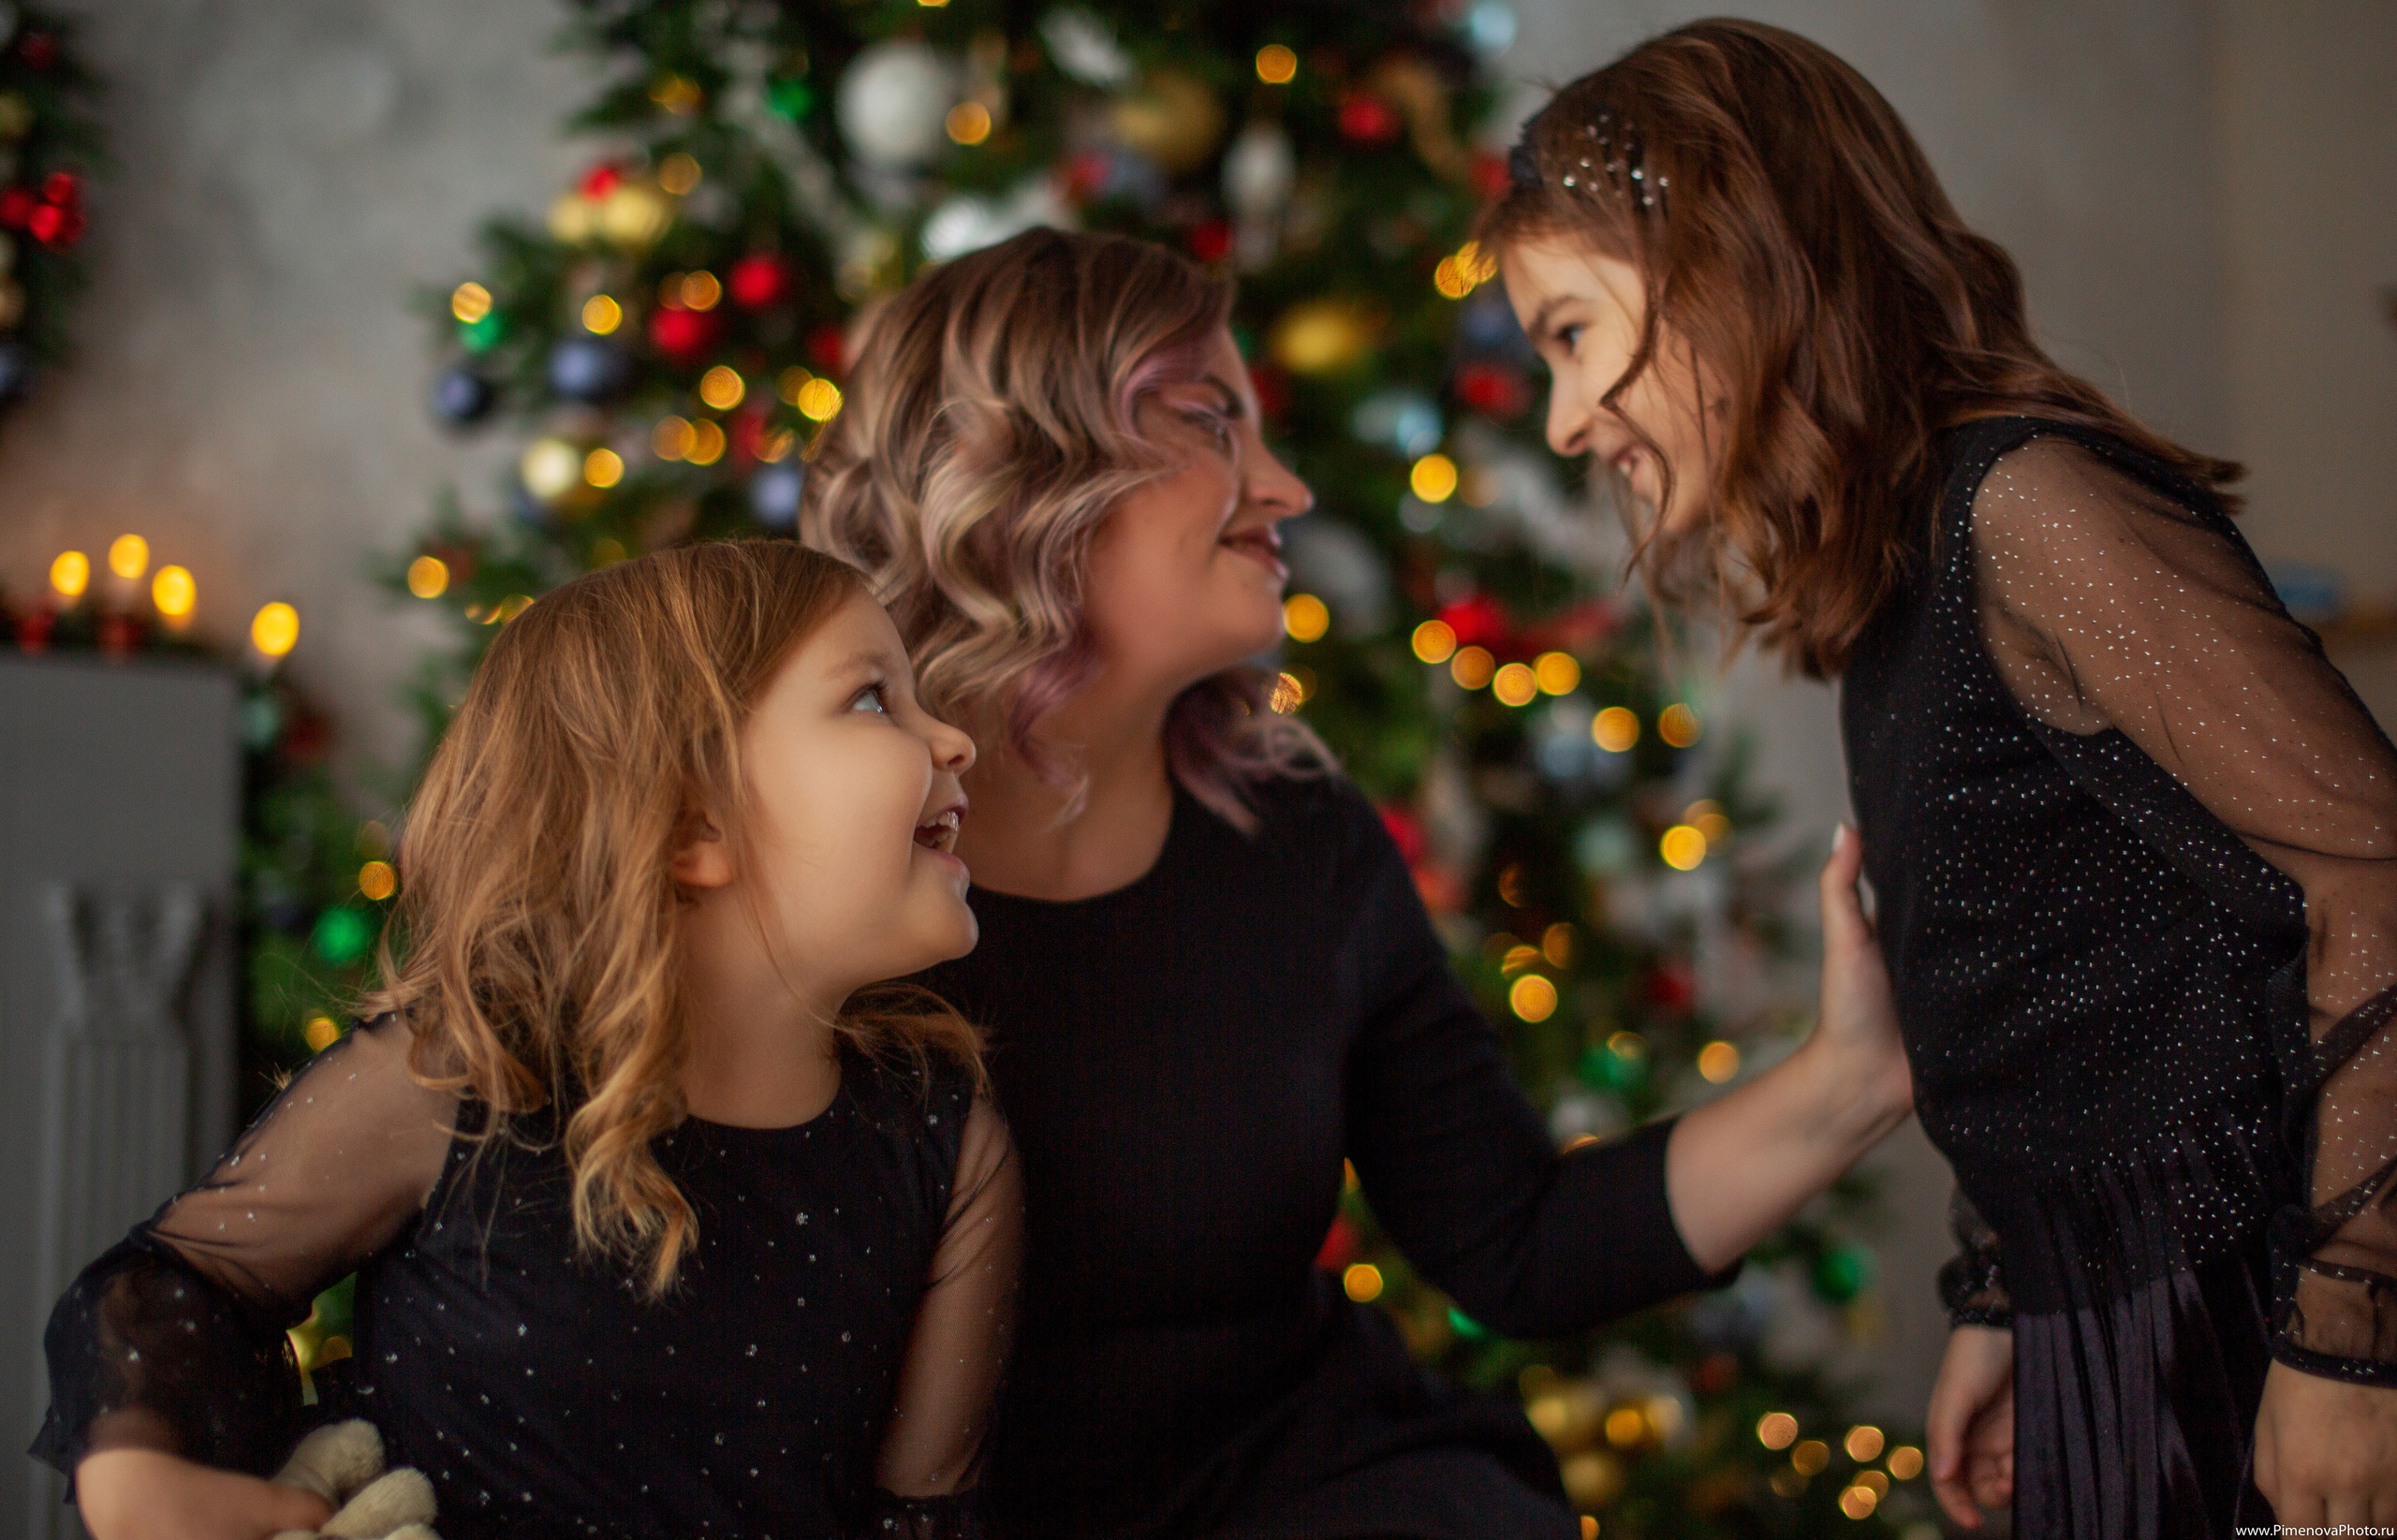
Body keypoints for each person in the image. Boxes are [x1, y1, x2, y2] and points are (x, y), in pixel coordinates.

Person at [801, 227, 1914, 1540]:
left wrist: (1857, 1074)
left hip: (1321, 1487)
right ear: (1032, 462)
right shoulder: (813, 848)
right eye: (1215, 419)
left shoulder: (1299, 838)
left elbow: (1521, 1239)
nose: (1284, 487)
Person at [1480, 17, 2397, 1535]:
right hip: (2106, 1330)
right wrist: (2005, 1287)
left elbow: (2370, 871)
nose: (1569, 417)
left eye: (1573, 333)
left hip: (2243, 1321)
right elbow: (2075, 992)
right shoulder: (1896, 564)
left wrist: (2353, 1334)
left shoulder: (2026, 508)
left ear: (1725, 263)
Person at [34, 542, 1024, 1540]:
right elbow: (181, 1278)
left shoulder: (944, 1152)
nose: (953, 740)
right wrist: (140, 1478)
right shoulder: (461, 1080)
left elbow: (919, 1521)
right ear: (692, 821)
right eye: (871, 698)